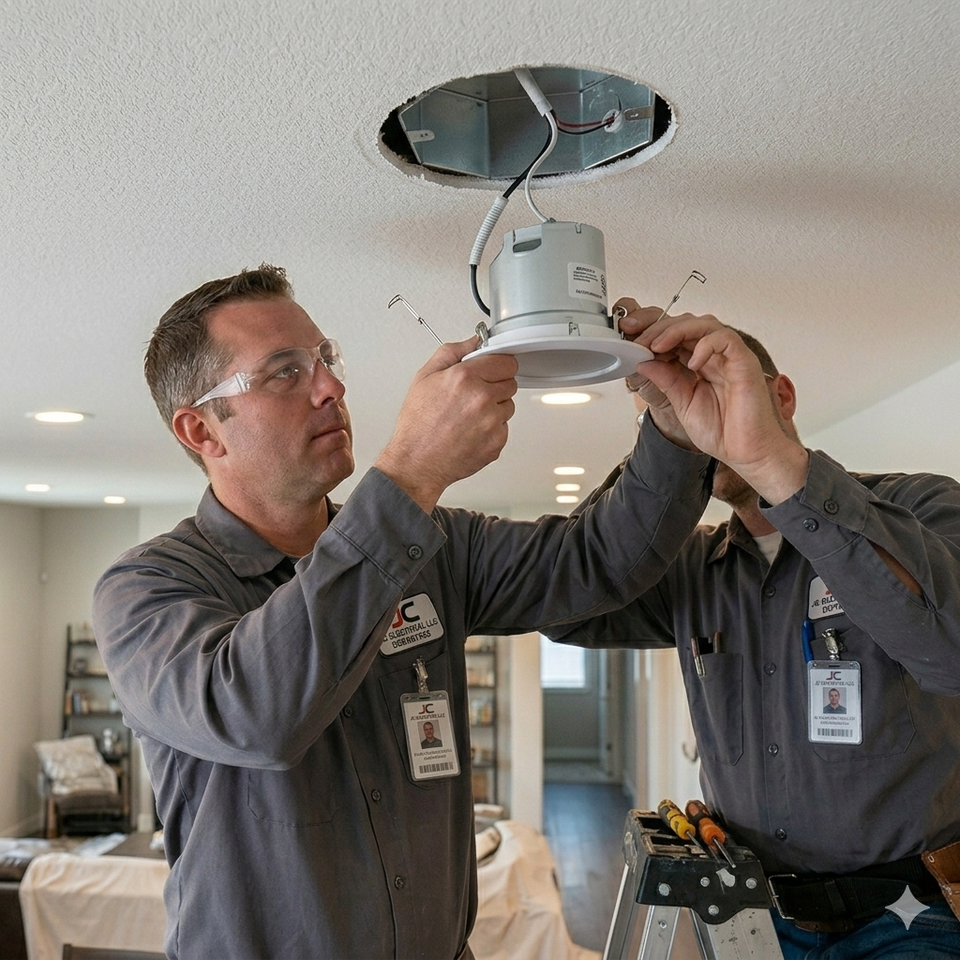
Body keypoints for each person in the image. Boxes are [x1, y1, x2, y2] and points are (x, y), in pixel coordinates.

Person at [92, 266, 714, 960]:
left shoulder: (434, 546)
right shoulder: (147, 589)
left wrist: (672, 428)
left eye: (325, 358)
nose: (332, 386)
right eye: (284, 373)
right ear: (202, 430)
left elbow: (597, 560)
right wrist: (409, 475)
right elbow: (256, 715)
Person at [546, 301, 960, 958]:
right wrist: (660, 450)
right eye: (678, 417)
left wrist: (772, 460)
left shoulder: (920, 510)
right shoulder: (694, 571)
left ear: (782, 396)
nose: (702, 425)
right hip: (757, 915)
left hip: (913, 916)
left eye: (710, 394)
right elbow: (564, 606)